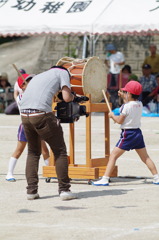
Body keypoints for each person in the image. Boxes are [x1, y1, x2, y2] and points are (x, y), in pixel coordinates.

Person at [19, 66, 78, 201]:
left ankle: (31, 191)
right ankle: (64, 190)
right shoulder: (63, 72)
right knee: (60, 151)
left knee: (33, 152)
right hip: (41, 114)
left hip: (24, 115)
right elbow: (67, 97)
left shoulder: (39, 76)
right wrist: (74, 96)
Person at [92, 80, 159, 186]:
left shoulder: (125, 107)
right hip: (137, 133)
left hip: (127, 134)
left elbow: (119, 120)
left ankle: (105, 178)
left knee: (113, 156)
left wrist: (112, 115)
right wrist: (123, 95)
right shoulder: (140, 104)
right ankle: (156, 177)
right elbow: (129, 103)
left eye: (125, 92)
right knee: (145, 157)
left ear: (129, 94)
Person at [6, 74, 50, 182]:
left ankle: (50, 172)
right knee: (19, 150)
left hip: (39, 124)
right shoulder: (21, 97)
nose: (31, 84)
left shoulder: (38, 95)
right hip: (26, 125)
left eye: (32, 81)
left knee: (44, 150)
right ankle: (9, 173)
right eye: (28, 82)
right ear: (23, 86)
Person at [105, 43, 125, 109]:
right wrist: (108, 66)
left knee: (117, 87)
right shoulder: (109, 54)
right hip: (111, 72)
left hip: (118, 72)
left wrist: (117, 63)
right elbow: (106, 60)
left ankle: (118, 101)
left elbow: (123, 62)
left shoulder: (119, 54)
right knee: (111, 87)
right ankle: (112, 101)